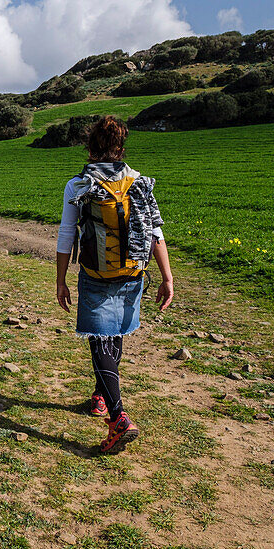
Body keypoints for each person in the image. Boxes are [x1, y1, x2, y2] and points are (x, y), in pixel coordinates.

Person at [55, 116, 174, 455]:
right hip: (133, 271)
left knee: (98, 339)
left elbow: (66, 235)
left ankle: (118, 418)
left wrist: (61, 280)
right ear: (121, 148)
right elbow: (155, 232)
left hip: (96, 275)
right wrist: (167, 277)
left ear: (90, 148)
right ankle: (100, 398)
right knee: (115, 333)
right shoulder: (139, 182)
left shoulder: (79, 184)